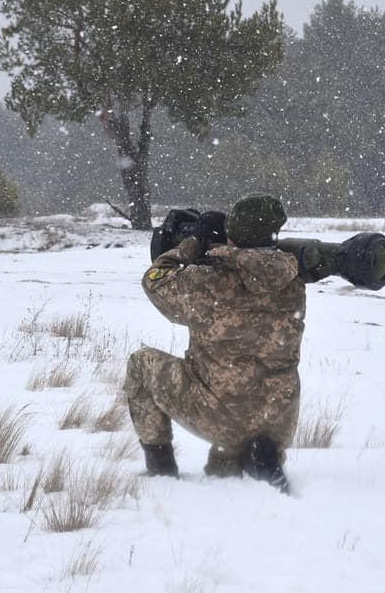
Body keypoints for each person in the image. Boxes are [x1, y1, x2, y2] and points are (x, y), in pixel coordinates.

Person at [123, 195, 306, 493]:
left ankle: (161, 470)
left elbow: (154, 279)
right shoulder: (293, 280)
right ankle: (257, 456)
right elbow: (258, 269)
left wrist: (194, 243)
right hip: (279, 419)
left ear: (232, 232)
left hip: (223, 413)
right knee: (224, 465)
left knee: (141, 363)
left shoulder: (206, 282)